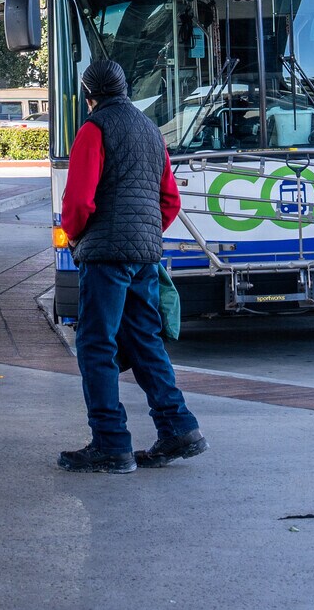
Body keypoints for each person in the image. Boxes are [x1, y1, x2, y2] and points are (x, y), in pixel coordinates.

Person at [58, 58, 205, 474]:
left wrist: (75, 235)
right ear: (124, 88)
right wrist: (144, 233)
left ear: (89, 95)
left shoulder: (94, 129)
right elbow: (169, 199)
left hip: (104, 255)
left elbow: (79, 201)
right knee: (145, 340)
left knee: (95, 344)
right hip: (144, 255)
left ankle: (110, 443)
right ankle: (178, 427)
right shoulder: (150, 130)